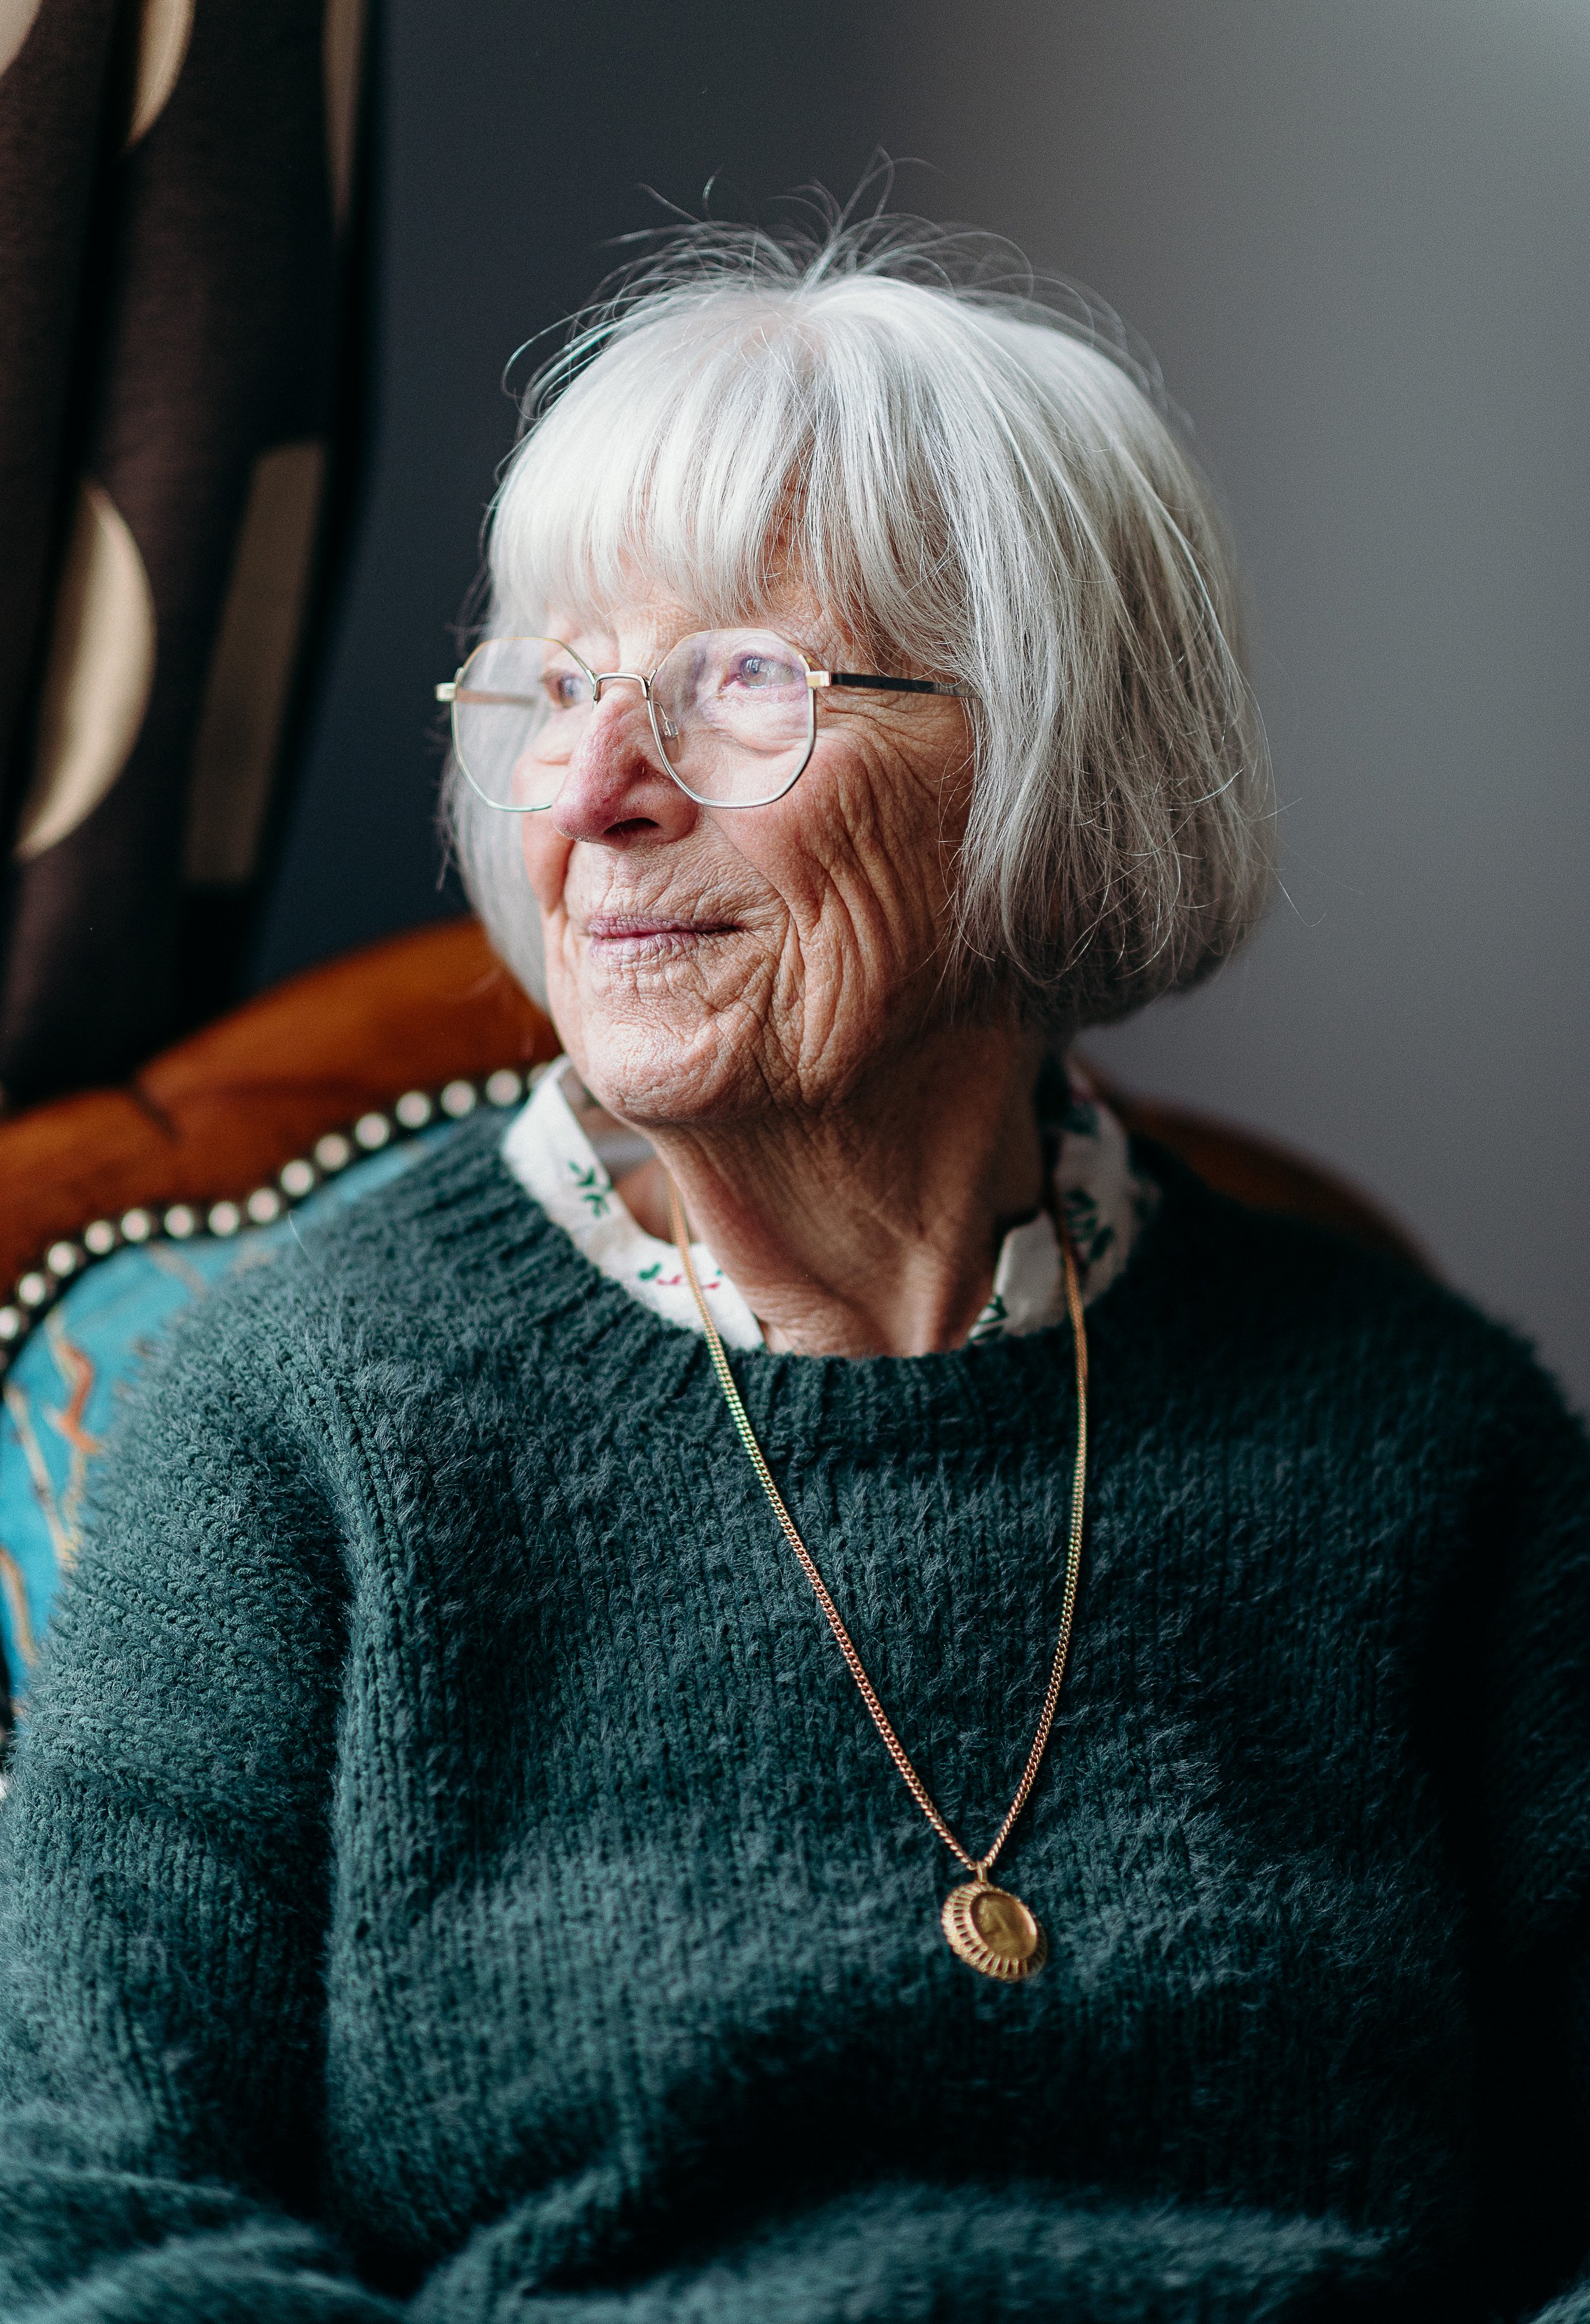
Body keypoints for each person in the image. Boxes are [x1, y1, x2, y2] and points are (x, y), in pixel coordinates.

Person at [1, 211, 1586, 2324]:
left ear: (1050, 742)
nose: (586, 789)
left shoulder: (1424, 1450)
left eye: (738, 682)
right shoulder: (299, 1409)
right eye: (553, 688)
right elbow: (90, 2219)